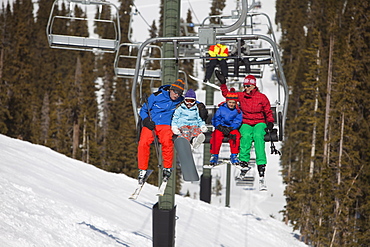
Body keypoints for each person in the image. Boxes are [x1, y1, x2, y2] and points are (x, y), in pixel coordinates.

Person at [216, 70, 274, 188]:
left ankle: (261, 165)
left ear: (254, 85)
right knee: (246, 136)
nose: (246, 88)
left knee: (258, 136)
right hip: (246, 122)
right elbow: (228, 96)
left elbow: (267, 111)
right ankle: (244, 162)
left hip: (259, 122)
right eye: (245, 85)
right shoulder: (241, 96)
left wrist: (270, 122)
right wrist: (223, 84)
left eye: (248, 86)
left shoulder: (261, 98)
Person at [137, 79, 185, 184]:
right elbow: (143, 110)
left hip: (165, 124)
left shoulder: (180, 100)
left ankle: (167, 168)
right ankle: (142, 169)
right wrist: (146, 120)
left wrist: (200, 106)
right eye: (175, 92)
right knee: (143, 143)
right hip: (152, 123)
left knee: (167, 142)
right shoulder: (156, 96)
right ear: (171, 90)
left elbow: (192, 101)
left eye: (179, 93)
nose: (176, 95)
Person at [209, 88, 243, 166]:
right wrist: (219, 126)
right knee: (216, 136)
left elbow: (238, 121)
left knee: (235, 136)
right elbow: (215, 119)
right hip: (221, 127)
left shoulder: (238, 111)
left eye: (233, 103)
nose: (231, 104)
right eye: (230, 102)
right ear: (227, 101)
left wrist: (231, 128)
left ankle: (234, 155)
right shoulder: (221, 109)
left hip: (231, 128)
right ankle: (214, 155)